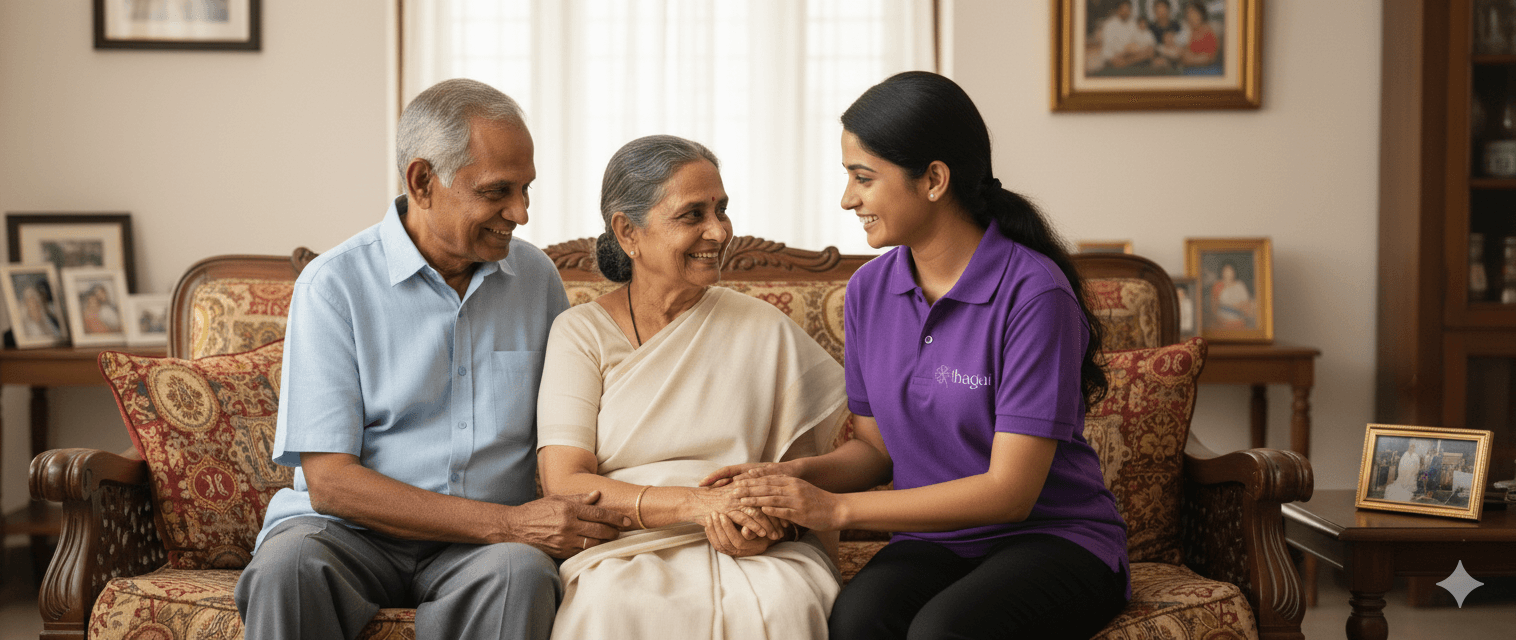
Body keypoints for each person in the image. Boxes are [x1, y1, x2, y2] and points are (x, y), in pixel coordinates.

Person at [715, 71, 1130, 639]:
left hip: (1054, 539)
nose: (847, 199)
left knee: (942, 631)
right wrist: (787, 479)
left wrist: (835, 510)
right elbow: (875, 451)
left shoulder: (1034, 293)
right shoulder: (868, 290)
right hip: (936, 542)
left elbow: (1010, 494)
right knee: (856, 619)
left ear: (934, 179)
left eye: (864, 178)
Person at [234, 79, 632, 640]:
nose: (519, 212)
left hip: (485, 555)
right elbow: (330, 483)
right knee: (289, 568)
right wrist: (507, 523)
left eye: (526, 189)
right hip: (348, 534)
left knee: (521, 574)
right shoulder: (334, 284)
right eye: (497, 192)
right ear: (423, 181)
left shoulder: (536, 279)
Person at [536, 135, 847, 639]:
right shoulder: (581, 333)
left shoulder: (762, 326)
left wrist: (777, 512)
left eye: (721, 210)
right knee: (613, 607)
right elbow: (565, 483)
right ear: (627, 232)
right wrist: (699, 506)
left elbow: (859, 453)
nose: (719, 231)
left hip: (754, 544)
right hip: (626, 548)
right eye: (692, 215)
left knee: (785, 603)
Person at [1099, 0, 1154, 69]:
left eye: (1128, 9)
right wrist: (1125, 51)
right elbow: (1108, 50)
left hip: (1131, 55)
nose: (1126, 11)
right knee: (1118, 61)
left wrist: (1135, 49)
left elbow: (1140, 40)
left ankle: (1127, 64)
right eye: (1123, 8)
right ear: (1118, 10)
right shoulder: (1109, 25)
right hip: (1114, 57)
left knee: (1149, 51)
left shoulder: (1133, 23)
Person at [1209, 261, 1253, 329]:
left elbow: (1247, 305)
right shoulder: (1217, 285)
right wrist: (1219, 319)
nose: (1228, 274)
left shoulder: (1240, 285)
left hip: (1239, 321)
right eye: (1226, 271)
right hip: (1222, 322)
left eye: (1230, 271)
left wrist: (1238, 306)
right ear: (1222, 272)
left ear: (1234, 272)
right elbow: (1213, 307)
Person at [1179, 2, 1220, 73]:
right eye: (1188, 14)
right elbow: (1185, 52)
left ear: (1201, 15)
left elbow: (1210, 58)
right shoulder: (1190, 32)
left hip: (1207, 71)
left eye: (1193, 13)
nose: (1190, 17)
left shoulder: (1208, 31)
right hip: (1190, 70)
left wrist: (1191, 59)